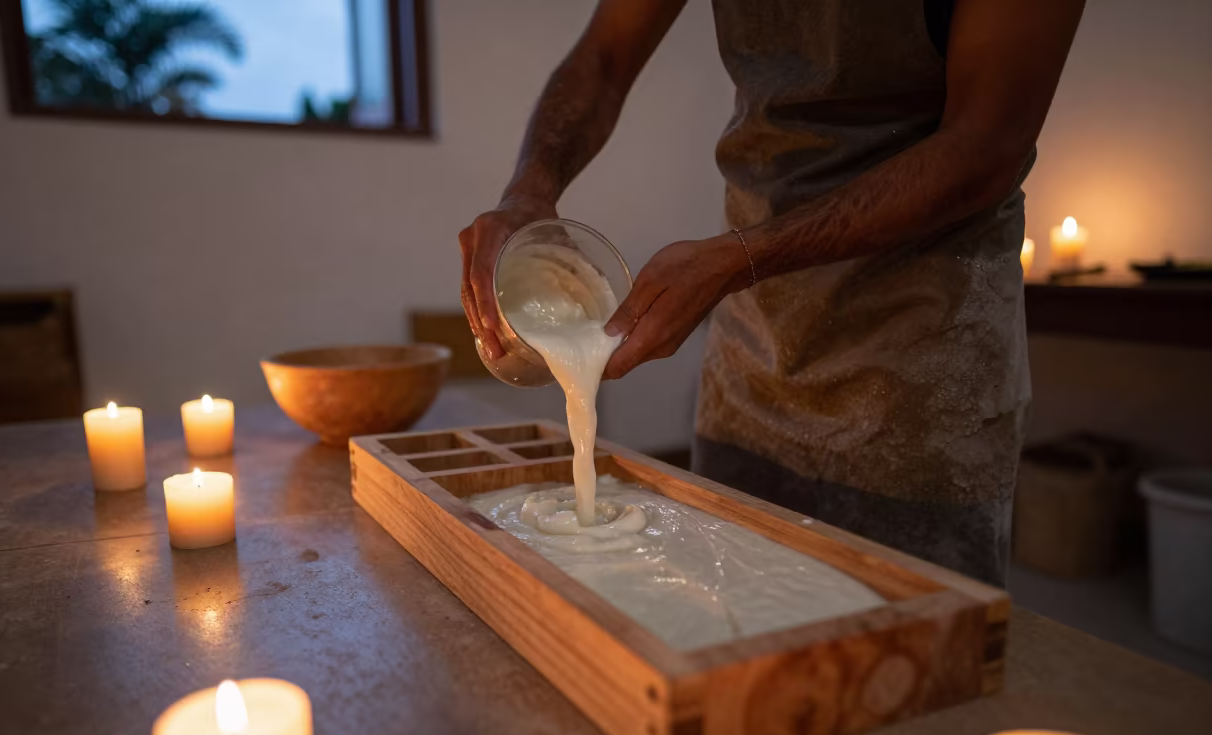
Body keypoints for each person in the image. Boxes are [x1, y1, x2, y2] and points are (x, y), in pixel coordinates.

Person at [459, 0, 1084, 587]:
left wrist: (743, 258)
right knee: (725, 594)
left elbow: (986, 143)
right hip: (752, 339)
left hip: (923, 345)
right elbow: (604, 55)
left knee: (908, 630)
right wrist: (529, 191)